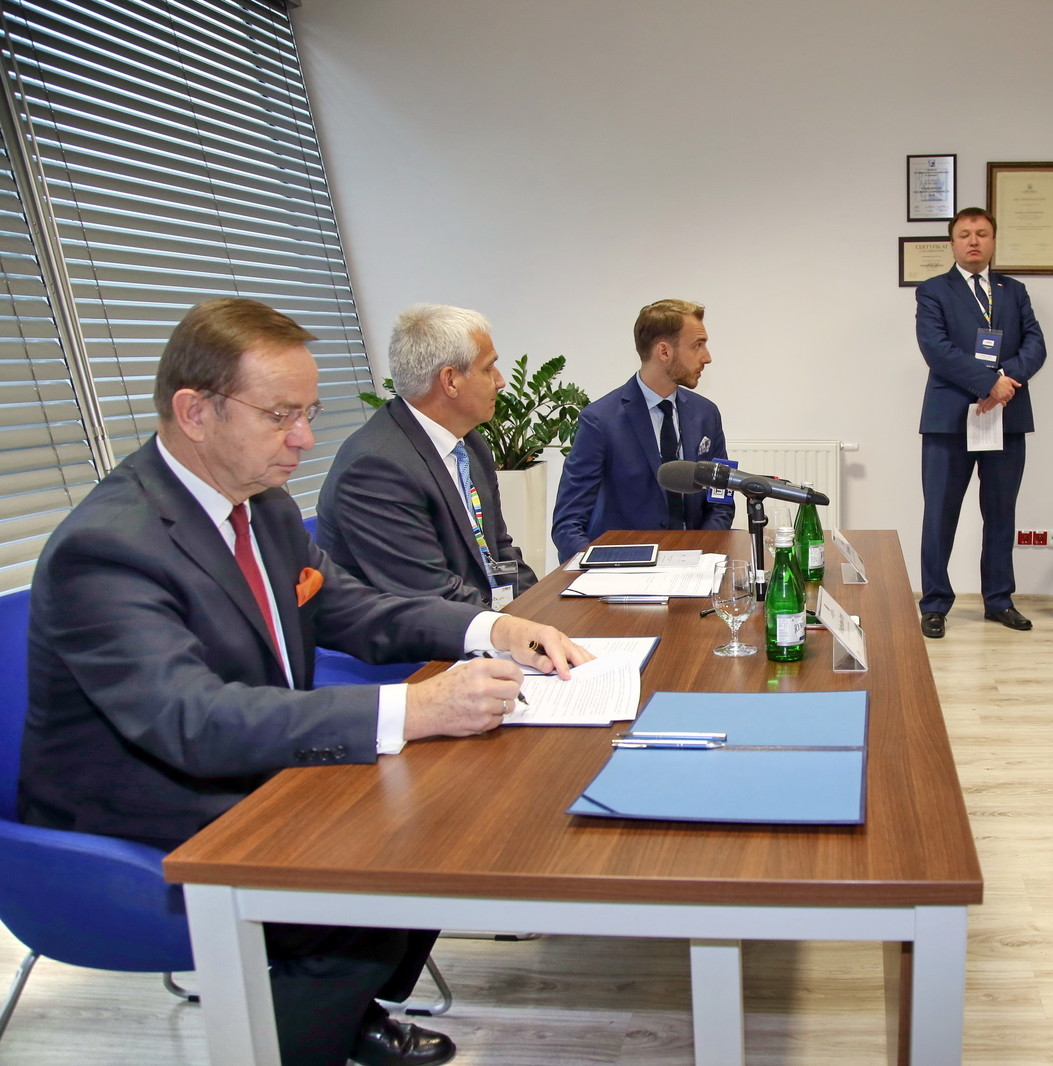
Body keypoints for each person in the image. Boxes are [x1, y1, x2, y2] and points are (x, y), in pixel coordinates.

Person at [20, 299, 592, 1066]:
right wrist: (415, 707)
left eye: (309, 413)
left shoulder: (262, 507)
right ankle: (313, 1026)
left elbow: (347, 607)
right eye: (279, 415)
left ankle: (346, 1010)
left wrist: (490, 629)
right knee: (379, 861)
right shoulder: (107, 548)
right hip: (137, 807)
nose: (305, 439)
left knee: (440, 807)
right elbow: (191, 720)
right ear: (195, 412)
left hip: (241, 757)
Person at [318, 304, 536, 609]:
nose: (500, 381)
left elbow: (499, 548)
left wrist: (540, 608)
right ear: (450, 381)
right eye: (488, 368)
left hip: (475, 615)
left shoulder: (469, 442)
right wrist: (515, 627)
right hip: (418, 631)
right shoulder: (376, 468)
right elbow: (429, 595)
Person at [915, 207, 1048, 638]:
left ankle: (999, 600)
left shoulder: (1014, 291)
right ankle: (935, 603)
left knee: (1001, 513)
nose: (974, 241)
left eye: (982, 233)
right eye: (965, 234)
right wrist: (989, 382)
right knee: (940, 515)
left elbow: (1036, 345)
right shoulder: (933, 290)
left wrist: (1005, 382)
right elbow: (935, 348)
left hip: (1006, 418)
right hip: (950, 420)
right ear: (952, 243)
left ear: (993, 240)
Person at [551, 299, 733, 562]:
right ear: (664, 351)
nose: (707, 357)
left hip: (695, 565)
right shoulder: (600, 420)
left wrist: (702, 553)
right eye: (698, 345)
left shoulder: (707, 414)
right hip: (624, 568)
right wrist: (598, 569)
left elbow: (721, 501)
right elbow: (568, 522)